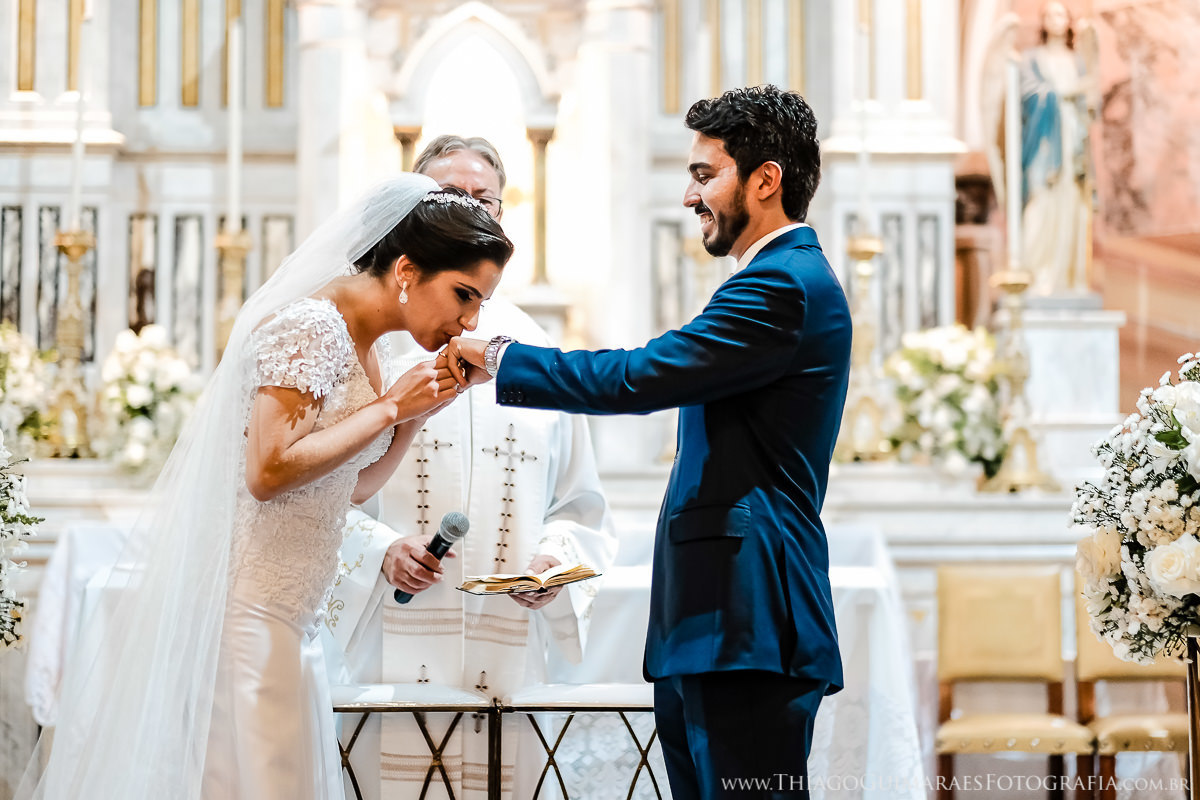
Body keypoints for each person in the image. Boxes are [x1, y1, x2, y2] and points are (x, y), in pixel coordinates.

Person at [17, 174, 514, 800]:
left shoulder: (371, 346)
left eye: (480, 305)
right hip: (247, 615)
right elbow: (268, 472)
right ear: (407, 270)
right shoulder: (311, 325)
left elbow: (348, 488)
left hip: (294, 619)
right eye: (464, 294)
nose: (469, 320)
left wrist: (415, 415)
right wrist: (389, 407)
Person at [445, 85, 852, 799]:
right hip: (722, 621)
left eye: (705, 174)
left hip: (748, 619)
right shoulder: (776, 279)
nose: (690, 196)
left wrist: (502, 357)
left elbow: (639, 377)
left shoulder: (781, 286)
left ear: (765, 180)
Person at [327, 135, 615, 800]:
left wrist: (554, 564)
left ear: (503, 215)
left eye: (483, 200)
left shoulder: (536, 351)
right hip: (387, 635)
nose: (469, 212)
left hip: (506, 646)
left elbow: (581, 506)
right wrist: (378, 550)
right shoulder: (377, 339)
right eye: (448, 198)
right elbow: (310, 491)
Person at [1019, 1, 1097, 295]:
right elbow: (1026, 95)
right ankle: (1037, 273)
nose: (1056, 19)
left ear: (1068, 21)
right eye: (1050, 14)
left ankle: (1067, 278)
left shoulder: (1077, 60)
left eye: (1061, 13)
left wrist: (1087, 98)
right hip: (1044, 141)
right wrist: (1065, 92)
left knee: (1071, 204)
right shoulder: (1031, 59)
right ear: (1042, 21)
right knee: (1041, 203)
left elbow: (1090, 105)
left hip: (1072, 141)